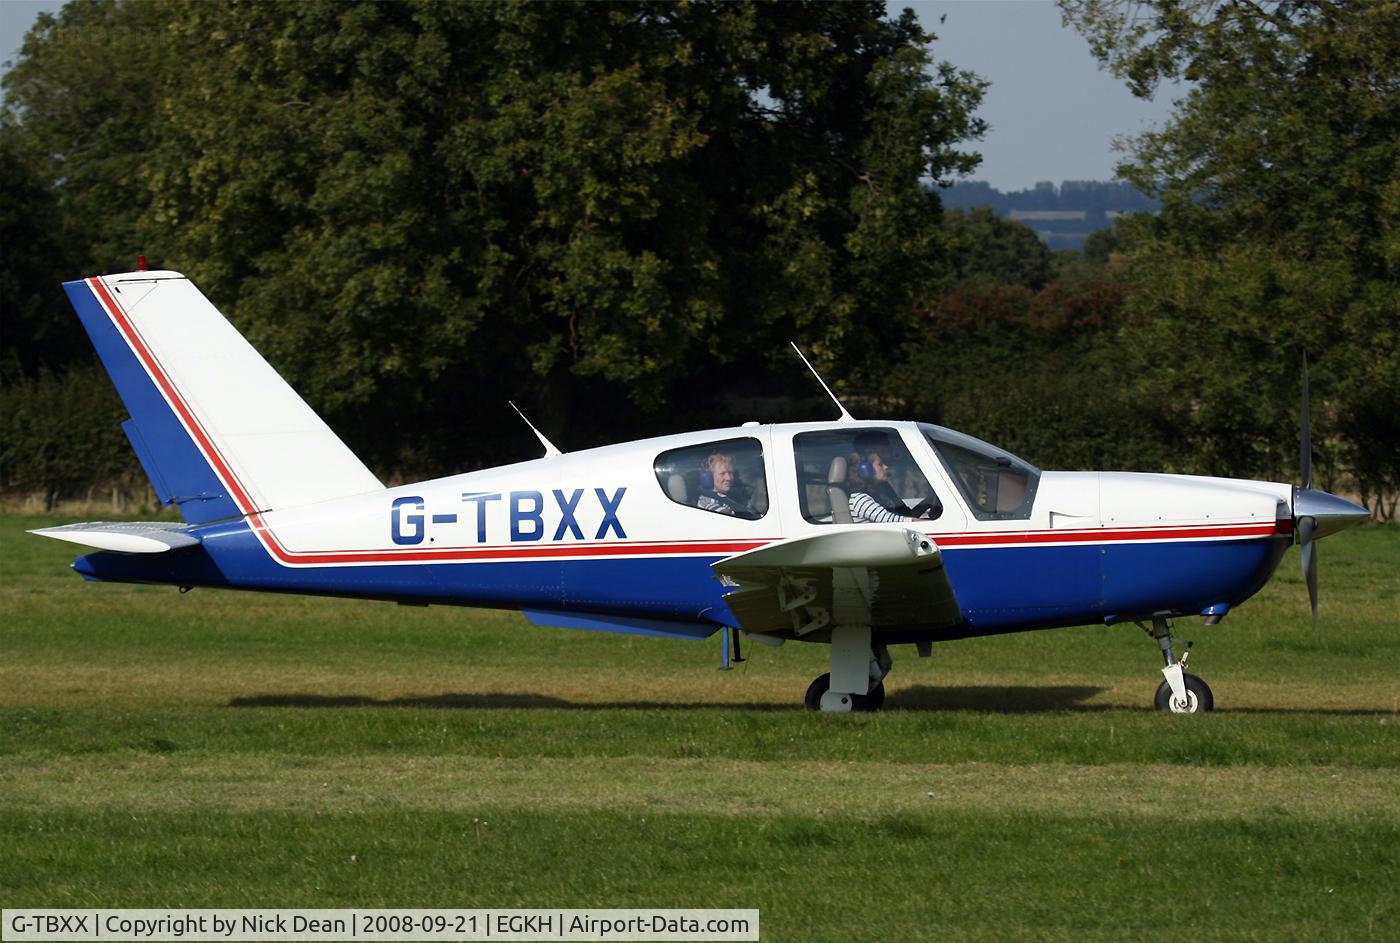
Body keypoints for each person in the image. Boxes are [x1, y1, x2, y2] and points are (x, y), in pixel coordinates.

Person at [848, 448, 940, 523]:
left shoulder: (878, 494)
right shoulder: (860, 500)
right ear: (866, 471)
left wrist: (928, 502)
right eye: (880, 464)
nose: (885, 467)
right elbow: (897, 521)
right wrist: (935, 526)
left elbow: (905, 515)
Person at [696, 451, 760, 519]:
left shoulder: (732, 496)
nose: (728, 478)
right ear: (710, 477)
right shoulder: (707, 502)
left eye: (731, 473)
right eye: (722, 473)